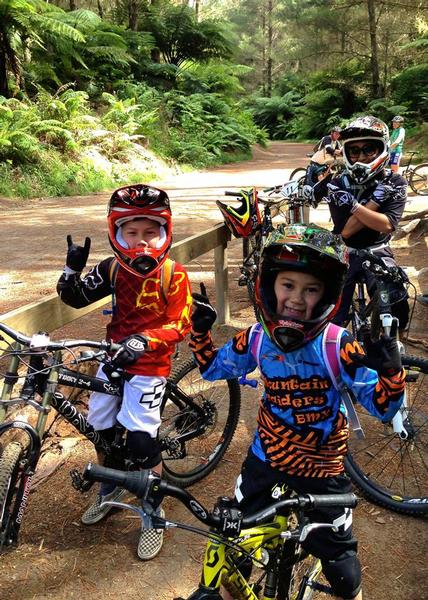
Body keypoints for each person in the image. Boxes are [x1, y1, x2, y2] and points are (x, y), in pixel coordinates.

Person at [189, 223, 405, 600]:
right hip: (266, 458)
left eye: (311, 289)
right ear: (270, 285)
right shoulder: (257, 337)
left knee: (345, 577)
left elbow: (385, 408)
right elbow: (213, 369)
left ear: (327, 296)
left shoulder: (338, 345)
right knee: (231, 561)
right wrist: (200, 332)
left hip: (322, 470)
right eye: (288, 285)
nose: (296, 298)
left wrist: (390, 370)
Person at [57, 183, 192, 560]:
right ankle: (110, 488)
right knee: (100, 429)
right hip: (113, 356)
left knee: (140, 441)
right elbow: (75, 297)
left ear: (165, 231)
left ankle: (152, 512)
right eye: (130, 232)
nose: (141, 241)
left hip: (150, 363)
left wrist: (146, 340)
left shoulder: (173, 275)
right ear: (116, 232)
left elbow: (181, 323)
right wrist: (72, 267)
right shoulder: (113, 268)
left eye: (151, 231)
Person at [313, 115, 410, 334]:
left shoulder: (395, 181)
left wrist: (355, 206)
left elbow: (386, 225)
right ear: (346, 153)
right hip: (343, 251)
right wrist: (374, 202)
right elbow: (346, 231)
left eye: (369, 150)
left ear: (381, 149)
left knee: (396, 303)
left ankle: (392, 351)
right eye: (354, 151)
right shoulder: (338, 183)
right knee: (328, 318)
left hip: (378, 251)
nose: (361, 156)